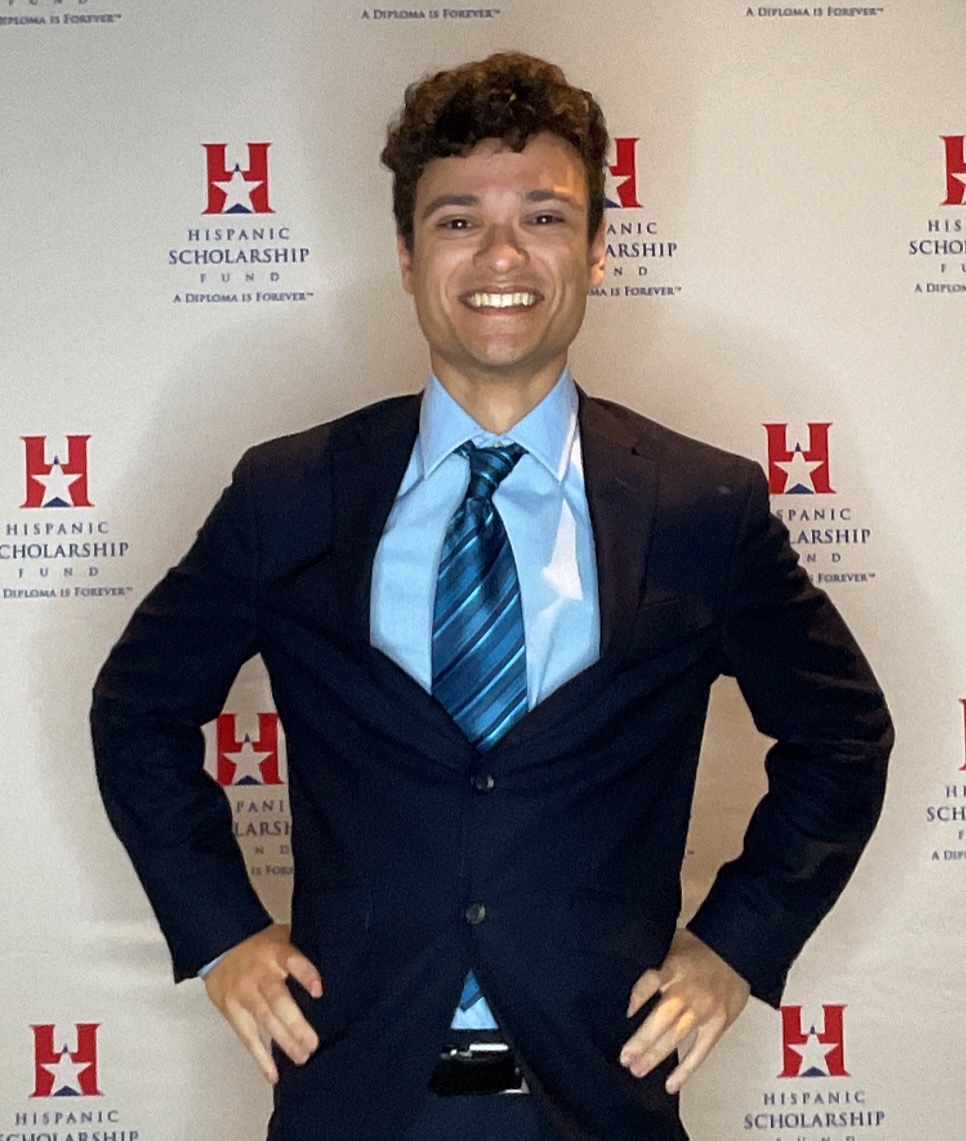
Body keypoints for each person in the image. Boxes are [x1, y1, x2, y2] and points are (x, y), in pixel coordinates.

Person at [91, 52, 892, 1141]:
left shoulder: (705, 505)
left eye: (546, 217)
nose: (502, 254)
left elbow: (843, 735)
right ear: (409, 258)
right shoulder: (288, 492)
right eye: (459, 220)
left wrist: (736, 945)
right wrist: (222, 930)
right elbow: (137, 707)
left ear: (601, 249)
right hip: (353, 1081)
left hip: (597, 1087)